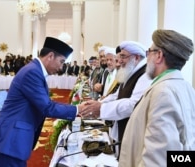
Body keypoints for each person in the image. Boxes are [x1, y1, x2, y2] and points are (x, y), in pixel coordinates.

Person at [0, 37, 85, 167]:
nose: (61, 67)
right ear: (50, 56)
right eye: (61, 62)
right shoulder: (32, 72)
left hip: (13, 138)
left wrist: (75, 108)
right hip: (11, 138)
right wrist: (78, 109)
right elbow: (47, 107)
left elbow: (46, 103)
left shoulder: (34, 70)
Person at [119, 29, 195, 167]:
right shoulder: (186, 87)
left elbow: (158, 158)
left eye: (149, 52)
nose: (147, 58)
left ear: (159, 55)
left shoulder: (163, 91)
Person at [80, 41, 152, 158]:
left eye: (123, 56)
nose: (120, 61)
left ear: (137, 57)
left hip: (133, 130)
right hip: (121, 125)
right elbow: (116, 95)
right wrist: (98, 104)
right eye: (119, 57)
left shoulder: (145, 75)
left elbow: (133, 105)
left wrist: (101, 109)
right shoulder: (130, 71)